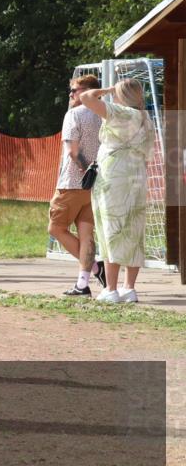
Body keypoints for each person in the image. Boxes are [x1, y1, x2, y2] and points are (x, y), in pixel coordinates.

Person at [80, 79, 153, 303]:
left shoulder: (121, 112)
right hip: (137, 175)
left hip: (114, 176)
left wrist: (109, 89)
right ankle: (129, 288)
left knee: (110, 228)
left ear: (122, 95)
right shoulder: (145, 118)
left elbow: (86, 97)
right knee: (133, 229)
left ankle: (110, 288)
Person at [48, 74, 105, 296]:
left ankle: (95, 268)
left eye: (75, 90)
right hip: (96, 184)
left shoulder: (74, 114)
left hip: (73, 182)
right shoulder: (105, 114)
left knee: (56, 228)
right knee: (87, 234)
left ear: (89, 92)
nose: (71, 94)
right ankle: (83, 283)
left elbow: (73, 151)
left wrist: (86, 169)